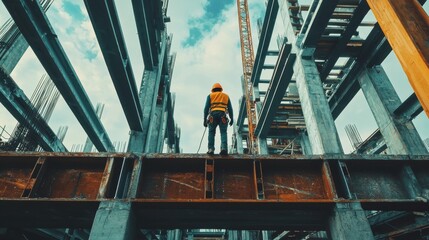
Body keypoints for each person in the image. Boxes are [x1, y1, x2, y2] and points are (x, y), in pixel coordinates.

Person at [203, 83, 234, 155]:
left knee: (211, 132)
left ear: (213, 90)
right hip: (222, 115)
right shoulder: (226, 96)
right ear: (221, 89)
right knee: (223, 132)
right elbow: (230, 109)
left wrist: (204, 120)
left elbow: (206, 109)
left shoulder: (210, 96)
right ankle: (224, 149)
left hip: (212, 116)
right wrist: (231, 118)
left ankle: (210, 149)